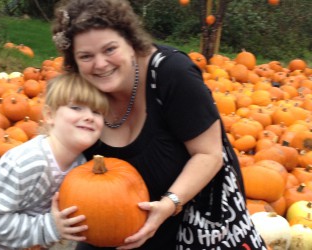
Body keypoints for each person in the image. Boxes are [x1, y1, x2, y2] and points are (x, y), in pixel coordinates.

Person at [51, 0, 267, 249]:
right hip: (107, 231)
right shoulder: (79, 93)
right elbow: (56, 154)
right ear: (74, 61)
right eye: (86, 56)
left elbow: (209, 154)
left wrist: (169, 204)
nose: (100, 64)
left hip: (188, 228)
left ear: (131, 42)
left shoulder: (171, 75)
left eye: (110, 49)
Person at [0, 73, 109, 249]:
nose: (89, 116)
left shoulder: (80, 167)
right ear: (50, 115)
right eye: (76, 108)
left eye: (96, 112)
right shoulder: (26, 162)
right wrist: (49, 227)